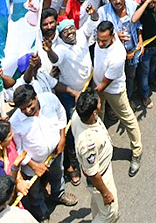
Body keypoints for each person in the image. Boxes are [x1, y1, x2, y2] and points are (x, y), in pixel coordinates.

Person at [9, 84, 78, 219]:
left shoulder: (50, 99)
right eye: (22, 109)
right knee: (35, 192)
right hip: (31, 166)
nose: (27, 111)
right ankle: (42, 214)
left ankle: (58, 194)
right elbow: (18, 149)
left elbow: (61, 114)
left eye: (30, 106)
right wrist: (34, 165)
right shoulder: (15, 122)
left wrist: (62, 139)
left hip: (56, 152)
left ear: (36, 97)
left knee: (58, 174)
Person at [92, 21, 142, 176]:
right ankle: (102, 148)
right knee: (98, 120)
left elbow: (105, 84)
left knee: (128, 119)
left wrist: (90, 96)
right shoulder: (100, 42)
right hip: (98, 87)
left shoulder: (118, 55)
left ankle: (137, 152)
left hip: (113, 91)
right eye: (98, 39)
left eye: (104, 41)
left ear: (112, 36)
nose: (100, 43)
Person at [73, 90, 118, 223]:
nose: (100, 101)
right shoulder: (88, 143)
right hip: (100, 177)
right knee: (110, 213)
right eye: (99, 102)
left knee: (99, 206)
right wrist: (105, 193)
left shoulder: (79, 115)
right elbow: (93, 174)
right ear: (94, 112)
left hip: (101, 169)